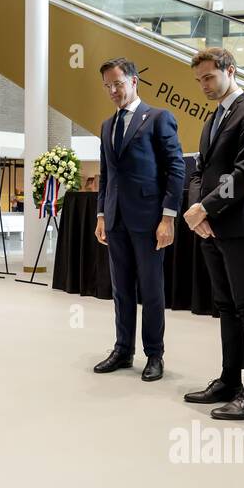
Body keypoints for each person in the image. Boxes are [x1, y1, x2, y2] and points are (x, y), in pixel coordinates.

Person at [182, 47, 244, 419]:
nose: (204, 85)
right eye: (199, 79)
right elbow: (199, 171)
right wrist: (197, 212)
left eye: (209, 77)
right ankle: (229, 379)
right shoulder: (213, 118)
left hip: (241, 226)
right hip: (212, 228)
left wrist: (204, 207)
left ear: (230, 71)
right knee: (226, 307)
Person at [92, 58, 186, 382]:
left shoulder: (158, 118)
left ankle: (154, 354)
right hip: (116, 219)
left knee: (151, 289)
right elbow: (106, 175)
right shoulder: (107, 125)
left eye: (117, 83)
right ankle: (122, 349)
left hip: (148, 220)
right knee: (121, 289)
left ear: (134, 81)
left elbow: (176, 169)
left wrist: (168, 217)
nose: (113, 90)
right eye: (107, 86)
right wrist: (102, 214)